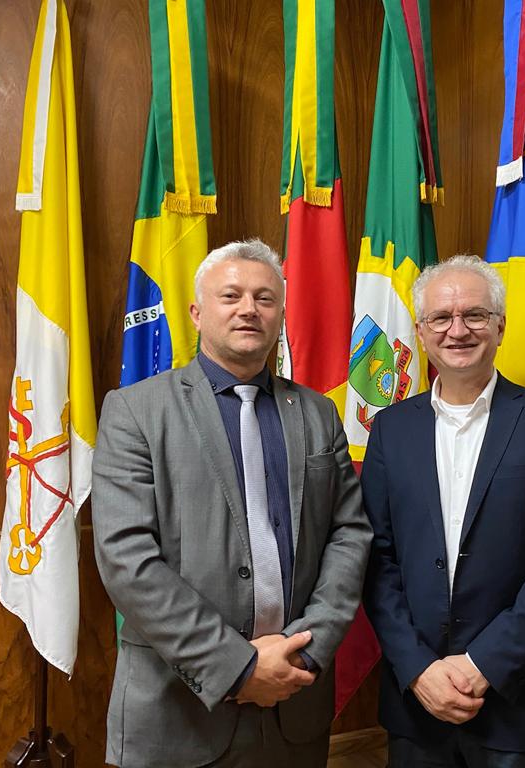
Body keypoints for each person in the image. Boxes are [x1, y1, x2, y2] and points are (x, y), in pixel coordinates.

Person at [92, 239, 372, 768]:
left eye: (265, 298)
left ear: (281, 314)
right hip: (176, 714)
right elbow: (126, 559)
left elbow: (348, 535)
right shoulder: (135, 411)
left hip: (295, 703)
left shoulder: (318, 414)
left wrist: (306, 649)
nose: (249, 308)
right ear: (197, 312)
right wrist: (238, 667)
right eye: (232, 295)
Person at [362, 255, 525, 768]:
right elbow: (376, 561)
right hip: (416, 704)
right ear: (421, 333)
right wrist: (419, 669)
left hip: (520, 703)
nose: (458, 330)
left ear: (500, 327)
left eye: (474, 315)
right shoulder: (390, 430)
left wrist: (482, 664)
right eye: (441, 319)